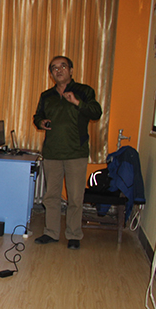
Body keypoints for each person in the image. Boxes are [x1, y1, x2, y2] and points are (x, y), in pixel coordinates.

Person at [33, 55, 103, 250]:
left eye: (63, 66)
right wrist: (41, 122)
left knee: (75, 197)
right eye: (54, 68)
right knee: (51, 196)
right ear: (51, 74)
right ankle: (51, 233)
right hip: (52, 153)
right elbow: (37, 116)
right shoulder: (46, 95)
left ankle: (73, 234)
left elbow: (96, 112)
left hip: (76, 153)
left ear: (71, 70)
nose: (59, 70)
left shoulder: (84, 91)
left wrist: (77, 102)